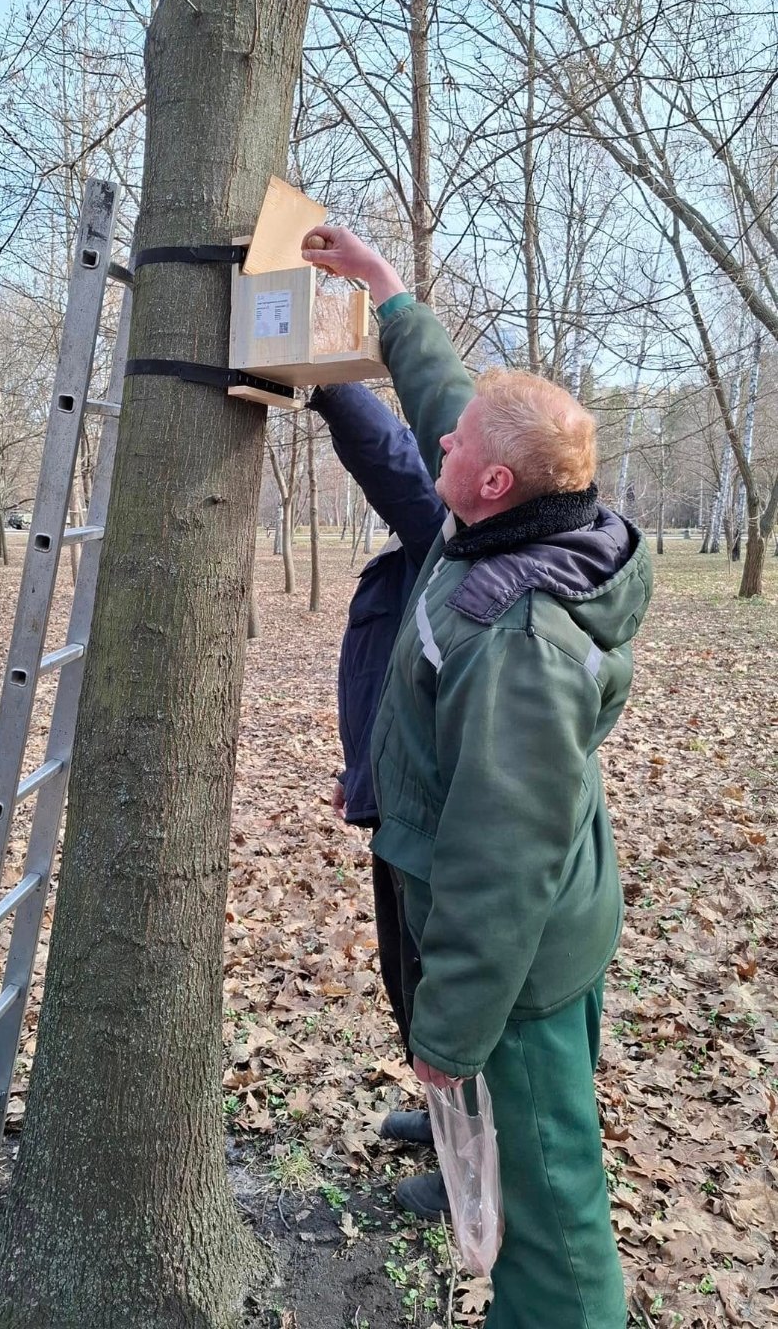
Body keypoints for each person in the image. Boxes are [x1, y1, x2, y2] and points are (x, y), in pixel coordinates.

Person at [302, 227, 653, 1329]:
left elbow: (503, 866)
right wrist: (383, 291)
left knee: (553, 1222)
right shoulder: (509, 511)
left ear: (493, 483)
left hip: (519, 970)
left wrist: (446, 1039)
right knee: (517, 1159)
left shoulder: (520, 640)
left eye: (455, 449)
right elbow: (447, 398)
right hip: (513, 940)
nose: (437, 443)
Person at [307, 382, 451, 1216]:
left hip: (433, 822)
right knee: (408, 977)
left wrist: (327, 385)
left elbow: (397, 467)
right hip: (393, 801)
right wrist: (357, 771)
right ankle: (446, 1121)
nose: (445, 458)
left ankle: (478, 1169)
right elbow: (383, 679)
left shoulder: (451, 537)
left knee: (439, 985)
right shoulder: (426, 557)